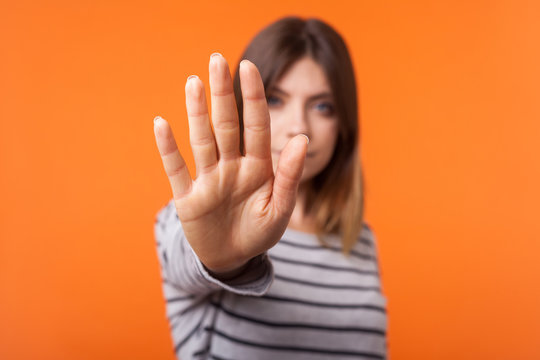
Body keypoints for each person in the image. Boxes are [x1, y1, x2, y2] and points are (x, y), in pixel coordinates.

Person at [153, 16, 388, 360]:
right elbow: (191, 254)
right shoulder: (193, 218)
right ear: (239, 108)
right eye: (275, 99)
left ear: (344, 125)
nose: (299, 126)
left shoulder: (361, 241)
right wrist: (224, 259)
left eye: (322, 106)